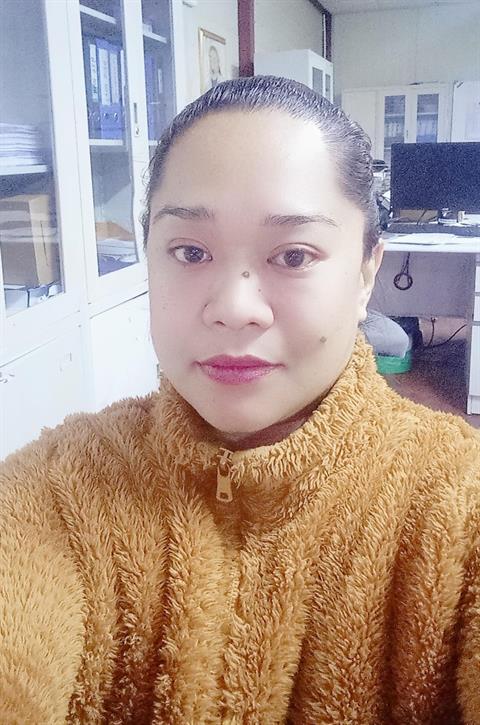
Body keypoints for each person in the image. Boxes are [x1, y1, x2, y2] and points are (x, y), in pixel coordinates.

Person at [0, 75, 479, 723]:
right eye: (190, 250)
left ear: (367, 271)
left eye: (294, 255)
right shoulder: (58, 488)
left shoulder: (458, 504)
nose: (234, 307)